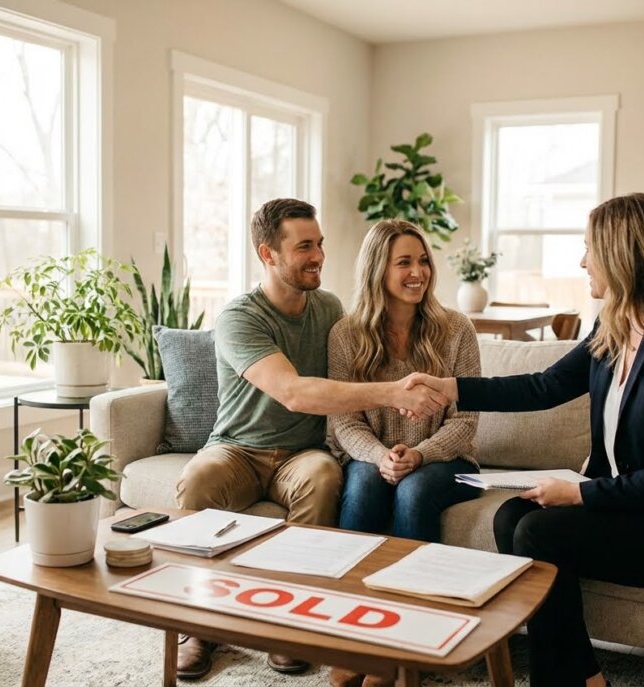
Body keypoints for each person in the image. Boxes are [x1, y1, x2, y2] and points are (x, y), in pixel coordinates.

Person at [404, 193, 644, 687]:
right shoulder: (615, 325)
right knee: (514, 514)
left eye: (589, 248)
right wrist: (452, 388)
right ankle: (579, 674)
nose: (582, 261)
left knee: (539, 532)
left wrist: (578, 492)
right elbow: (546, 385)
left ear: (623, 255)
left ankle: (571, 679)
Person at [173, 198, 448, 680]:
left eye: (319, 243)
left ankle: (292, 626)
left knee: (324, 477)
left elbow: (356, 374)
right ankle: (198, 626)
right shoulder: (240, 316)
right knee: (198, 478)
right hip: (237, 447)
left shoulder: (330, 310)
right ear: (268, 253)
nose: (318, 254)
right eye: (304, 247)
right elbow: (294, 392)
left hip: (302, 454)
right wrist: (393, 394)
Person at [326, 219, 482, 687]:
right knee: (363, 488)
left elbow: (466, 420)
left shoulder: (456, 329)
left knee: (413, 494)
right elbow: (344, 419)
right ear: (378, 270)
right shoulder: (346, 335)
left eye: (423, 261)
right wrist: (379, 455)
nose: (419, 272)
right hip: (374, 457)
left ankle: (410, 642)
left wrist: (421, 454)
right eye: (405, 263)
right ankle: (354, 638)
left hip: (446, 461)